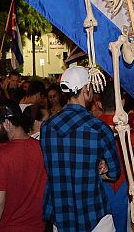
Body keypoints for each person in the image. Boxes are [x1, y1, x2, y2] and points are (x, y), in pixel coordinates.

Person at [40, 65, 121, 232]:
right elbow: (114, 173)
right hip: (94, 213)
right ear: (85, 89)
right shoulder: (98, 128)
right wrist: (101, 169)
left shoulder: (46, 127)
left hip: (60, 213)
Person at [0, 100, 46, 232]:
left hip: (9, 227)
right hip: (38, 227)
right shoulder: (42, 148)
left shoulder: (0, 154)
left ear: (7, 124)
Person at [96, 82, 134, 232]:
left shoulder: (90, 130)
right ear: (122, 102)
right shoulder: (132, 134)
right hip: (127, 194)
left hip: (97, 197)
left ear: (99, 103)